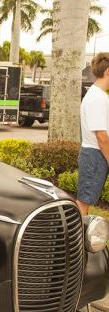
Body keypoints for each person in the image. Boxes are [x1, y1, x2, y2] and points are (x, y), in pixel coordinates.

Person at [77, 52, 109, 216]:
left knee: (85, 201)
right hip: (95, 155)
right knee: (84, 202)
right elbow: (101, 136)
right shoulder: (97, 97)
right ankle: (78, 240)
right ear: (108, 71)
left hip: (96, 154)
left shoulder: (99, 95)